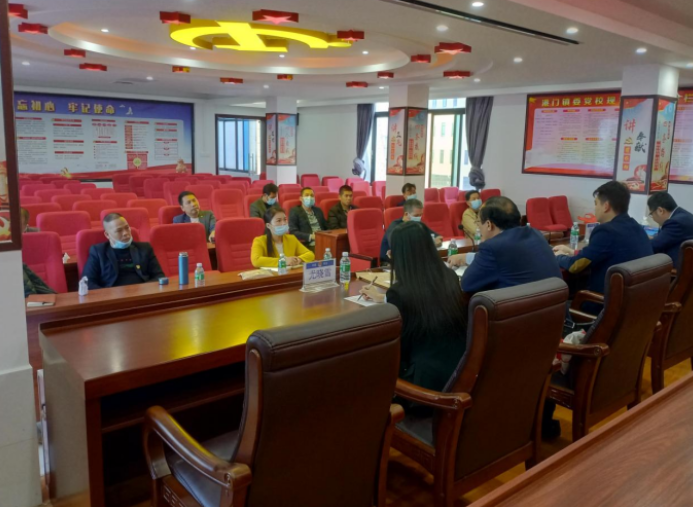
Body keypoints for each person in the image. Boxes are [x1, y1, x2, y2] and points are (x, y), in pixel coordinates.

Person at [360, 221, 467, 402]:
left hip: (422, 389)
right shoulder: (450, 277)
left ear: (400, 255)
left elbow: (399, 351)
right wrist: (384, 298)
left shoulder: (400, 293)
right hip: (458, 377)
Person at [553, 181, 653, 297]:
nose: (594, 208)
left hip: (605, 302)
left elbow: (575, 266)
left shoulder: (606, 231)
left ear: (606, 206)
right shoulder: (637, 227)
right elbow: (604, 253)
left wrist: (558, 256)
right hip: (634, 300)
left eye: (596, 204)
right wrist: (572, 252)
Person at [449, 196, 561, 293]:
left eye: (478, 222)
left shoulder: (492, 247)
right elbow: (510, 258)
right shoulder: (534, 233)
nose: (479, 227)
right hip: (556, 309)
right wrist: (467, 257)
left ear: (488, 225)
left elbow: (467, 284)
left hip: (520, 310)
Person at [82, 213, 165, 290]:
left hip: (142, 294)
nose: (125, 233)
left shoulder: (144, 248)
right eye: (119, 230)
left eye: (127, 228)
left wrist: (144, 290)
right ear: (107, 235)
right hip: (113, 297)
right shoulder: (98, 252)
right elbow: (87, 282)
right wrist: (108, 295)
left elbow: (159, 276)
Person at [251, 207, 315, 268]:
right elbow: (256, 261)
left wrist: (299, 259)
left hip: (289, 273)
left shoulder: (291, 239)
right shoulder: (259, 241)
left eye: (285, 219)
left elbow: (310, 254)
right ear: (268, 225)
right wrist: (283, 261)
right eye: (279, 221)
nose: (284, 223)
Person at [647, 191, 693, 268]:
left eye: (651, 214)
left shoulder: (675, 223)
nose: (653, 218)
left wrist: (642, 241)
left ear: (660, 211)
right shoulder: (683, 215)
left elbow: (654, 246)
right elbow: (665, 237)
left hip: (677, 270)